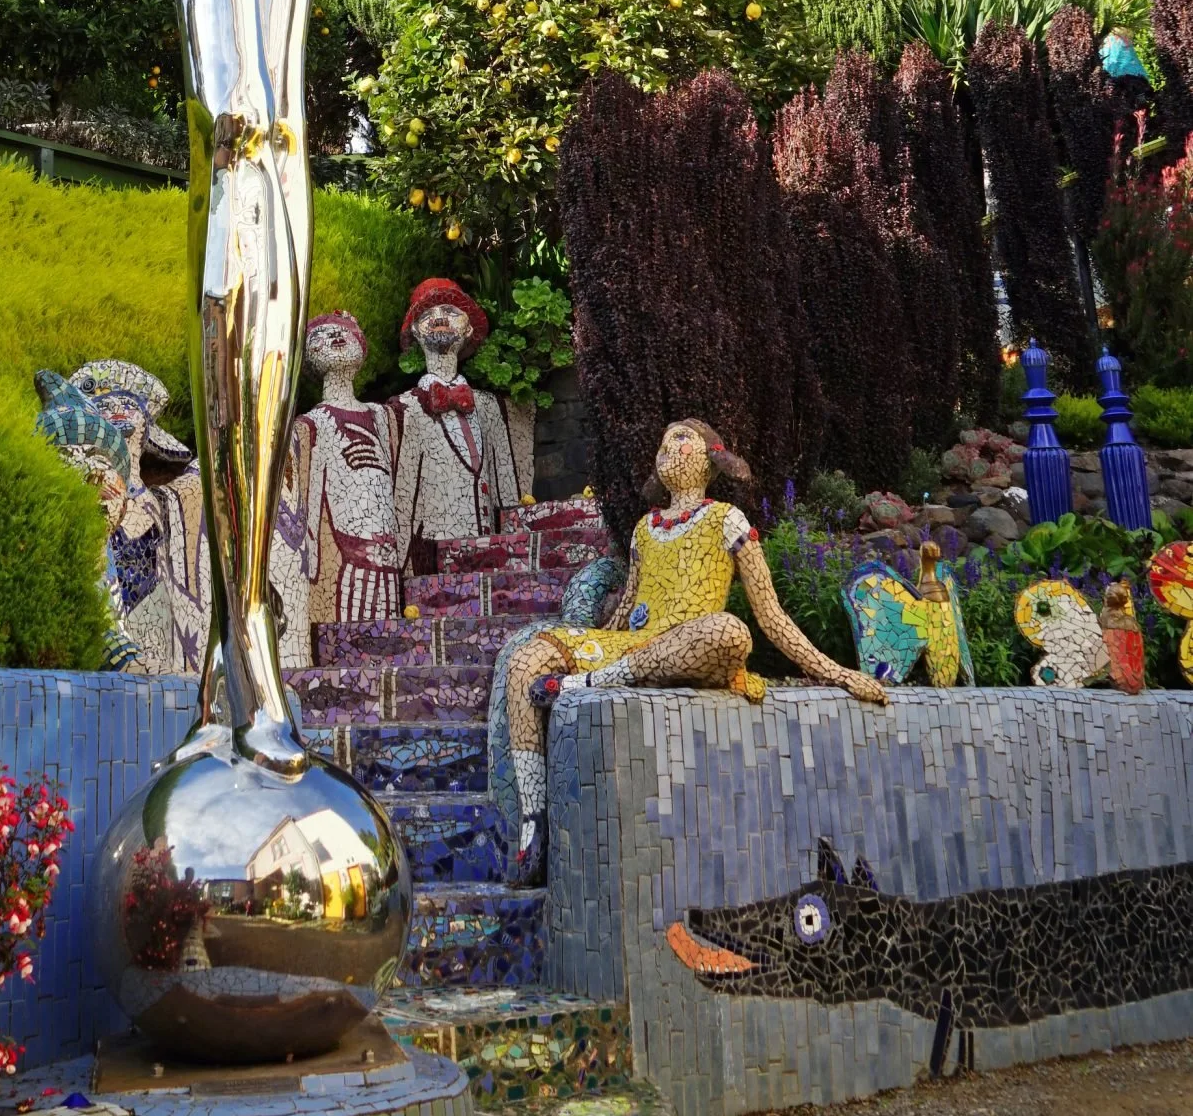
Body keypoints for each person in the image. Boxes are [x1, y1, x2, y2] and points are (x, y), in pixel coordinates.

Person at [492, 418, 889, 884]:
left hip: (692, 640)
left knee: (730, 632)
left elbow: (773, 618)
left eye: (681, 438)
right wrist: (578, 643)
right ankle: (532, 821)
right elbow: (622, 617)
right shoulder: (645, 529)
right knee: (527, 658)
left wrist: (839, 674)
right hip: (634, 646)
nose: (668, 447)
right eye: (663, 441)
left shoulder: (727, 520)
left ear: (710, 457)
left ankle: (585, 684)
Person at [280, 312, 403, 652]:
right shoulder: (311, 424)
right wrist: (314, 557)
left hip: (388, 550)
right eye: (321, 336)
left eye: (343, 332)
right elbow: (312, 489)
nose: (335, 337)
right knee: (351, 631)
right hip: (345, 551)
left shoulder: (382, 417)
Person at [391, 278, 524, 569]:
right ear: (415, 331)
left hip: (492, 559)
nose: (439, 317)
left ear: (468, 328)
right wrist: (400, 569)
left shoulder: (489, 406)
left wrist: (517, 553)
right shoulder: (406, 408)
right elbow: (402, 498)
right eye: (426, 315)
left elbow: (507, 490)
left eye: (450, 311)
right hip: (434, 560)